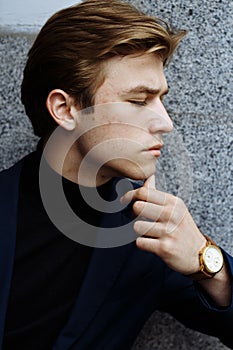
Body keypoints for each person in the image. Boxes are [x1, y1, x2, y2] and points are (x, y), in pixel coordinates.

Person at [0, 0, 232, 349]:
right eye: (139, 100)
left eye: (161, 99)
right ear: (65, 109)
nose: (166, 123)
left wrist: (204, 259)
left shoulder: (148, 237)